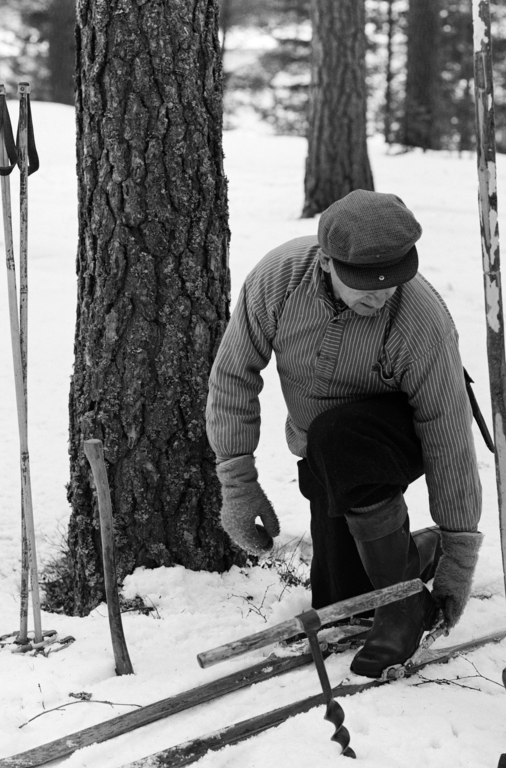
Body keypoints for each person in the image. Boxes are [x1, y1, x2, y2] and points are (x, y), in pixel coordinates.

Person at [206, 189, 484, 678]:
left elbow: (448, 436)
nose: (380, 297)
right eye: (365, 285)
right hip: (326, 450)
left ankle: (404, 607)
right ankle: (416, 551)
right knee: (345, 604)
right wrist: (237, 483)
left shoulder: (420, 322)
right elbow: (234, 374)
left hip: (402, 436)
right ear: (328, 262)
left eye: (392, 282)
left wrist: (460, 551)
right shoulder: (279, 279)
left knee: (338, 436)